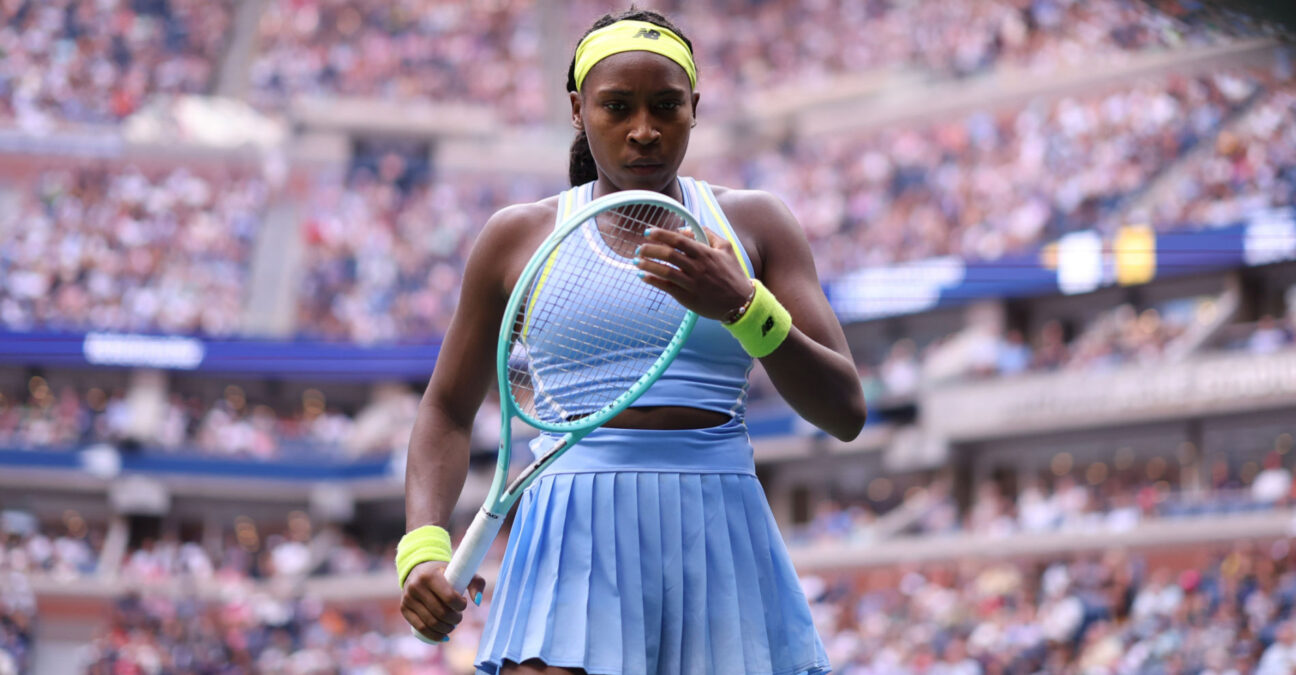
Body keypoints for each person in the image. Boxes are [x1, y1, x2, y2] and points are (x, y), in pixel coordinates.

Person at [398, 8, 867, 675]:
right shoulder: (517, 237)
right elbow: (445, 408)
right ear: (577, 109)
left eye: (666, 107)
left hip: (719, 534)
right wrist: (422, 547)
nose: (643, 131)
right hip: (569, 536)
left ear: (695, 108)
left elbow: (844, 410)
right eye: (616, 107)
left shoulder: (756, 224)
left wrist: (741, 304)